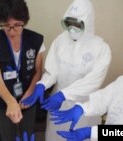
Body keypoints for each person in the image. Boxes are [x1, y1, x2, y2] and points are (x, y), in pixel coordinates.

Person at [22, 0, 111, 140]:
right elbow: (52, 71)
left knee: (78, 135)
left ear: (87, 22)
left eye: (77, 24)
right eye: (70, 23)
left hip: (83, 106)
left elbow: (92, 82)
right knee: (54, 135)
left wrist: (64, 94)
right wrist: (42, 84)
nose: (72, 28)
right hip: (57, 103)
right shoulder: (60, 40)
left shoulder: (101, 49)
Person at [0, 0, 45, 140]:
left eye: (17, 25)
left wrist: (29, 95)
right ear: (0, 22)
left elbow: (37, 73)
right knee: (7, 135)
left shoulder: (36, 40)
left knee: (26, 134)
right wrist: (10, 102)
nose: (12, 31)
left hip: (27, 97)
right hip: (2, 99)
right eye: (6, 26)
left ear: (25, 21)